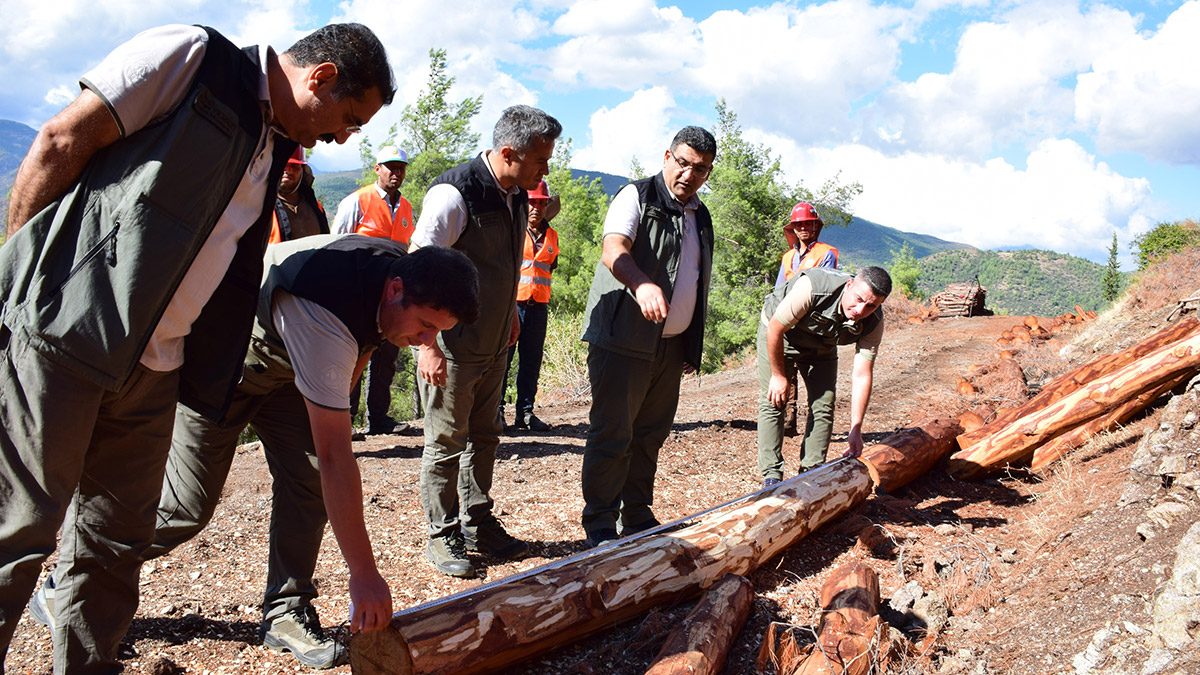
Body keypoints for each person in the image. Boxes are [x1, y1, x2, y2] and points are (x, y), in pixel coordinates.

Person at [0, 22, 394, 672]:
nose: (346, 137)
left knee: (112, 551)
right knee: (17, 533)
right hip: (66, 337)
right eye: (349, 117)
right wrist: (16, 291)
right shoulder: (193, 58)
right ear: (320, 78)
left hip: (154, 369)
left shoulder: (270, 147)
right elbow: (58, 141)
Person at [410, 104, 561, 578]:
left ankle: (477, 522)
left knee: (485, 436)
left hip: (496, 340)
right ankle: (443, 534)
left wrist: (509, 320)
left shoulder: (515, 193)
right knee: (445, 441)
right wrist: (426, 343)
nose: (546, 170)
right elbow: (418, 266)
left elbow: (503, 264)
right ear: (508, 152)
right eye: (540, 160)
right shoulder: (456, 195)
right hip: (452, 349)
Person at [579, 126, 717, 548]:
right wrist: (641, 284)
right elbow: (614, 250)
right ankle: (600, 522)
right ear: (666, 157)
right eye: (683, 163)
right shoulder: (636, 196)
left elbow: (695, 279)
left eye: (700, 169)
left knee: (650, 434)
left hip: (670, 347)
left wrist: (689, 341)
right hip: (623, 338)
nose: (689, 175)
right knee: (613, 432)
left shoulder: (701, 215)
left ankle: (637, 514)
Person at [757, 266, 892, 489]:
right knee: (774, 400)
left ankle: (810, 473)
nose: (860, 310)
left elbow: (862, 374)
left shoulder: (874, 321)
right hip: (782, 335)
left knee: (824, 404)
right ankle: (772, 477)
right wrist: (779, 376)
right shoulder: (813, 288)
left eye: (871, 306)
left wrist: (855, 428)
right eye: (858, 299)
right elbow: (775, 329)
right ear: (850, 286)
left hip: (822, 346)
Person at [333, 145, 415, 434]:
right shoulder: (357, 201)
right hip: (359, 294)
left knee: (386, 358)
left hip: (394, 296)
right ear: (377, 168)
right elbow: (335, 246)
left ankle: (378, 419)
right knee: (352, 357)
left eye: (401, 167)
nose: (397, 172)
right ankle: (344, 420)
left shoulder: (406, 208)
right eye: (390, 166)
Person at [774, 201, 839, 436]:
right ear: (793, 228)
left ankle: (817, 431)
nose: (803, 228)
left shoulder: (826, 253)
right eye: (798, 224)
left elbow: (825, 288)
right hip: (787, 320)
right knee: (784, 373)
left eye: (807, 224)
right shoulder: (788, 257)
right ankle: (787, 424)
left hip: (812, 323)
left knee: (815, 378)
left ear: (815, 227)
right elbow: (778, 290)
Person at [501, 179, 561, 432]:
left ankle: (525, 414)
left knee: (531, 361)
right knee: (503, 361)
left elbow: (550, 267)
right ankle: (495, 412)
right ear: (525, 205)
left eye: (541, 203)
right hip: (512, 305)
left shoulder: (553, 236)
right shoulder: (513, 231)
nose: (537, 208)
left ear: (547, 206)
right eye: (533, 202)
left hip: (539, 306)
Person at [268, 146, 329, 244]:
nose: (288, 170)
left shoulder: (315, 206)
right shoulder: (263, 208)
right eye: (283, 165)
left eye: (294, 166)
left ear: (303, 170)